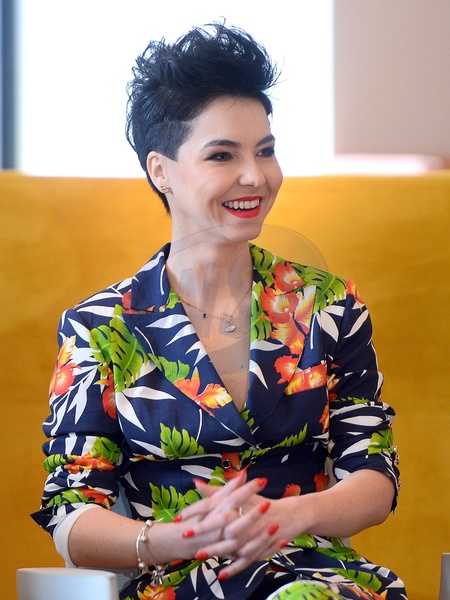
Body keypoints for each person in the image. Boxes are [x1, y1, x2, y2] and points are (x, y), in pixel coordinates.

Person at [33, 23, 407, 600]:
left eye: (266, 151)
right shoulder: (101, 327)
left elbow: (374, 475)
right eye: (222, 155)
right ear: (161, 170)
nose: (255, 176)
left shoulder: (329, 304)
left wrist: (291, 516)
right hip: (178, 582)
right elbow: (71, 513)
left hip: (318, 578)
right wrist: (177, 538)